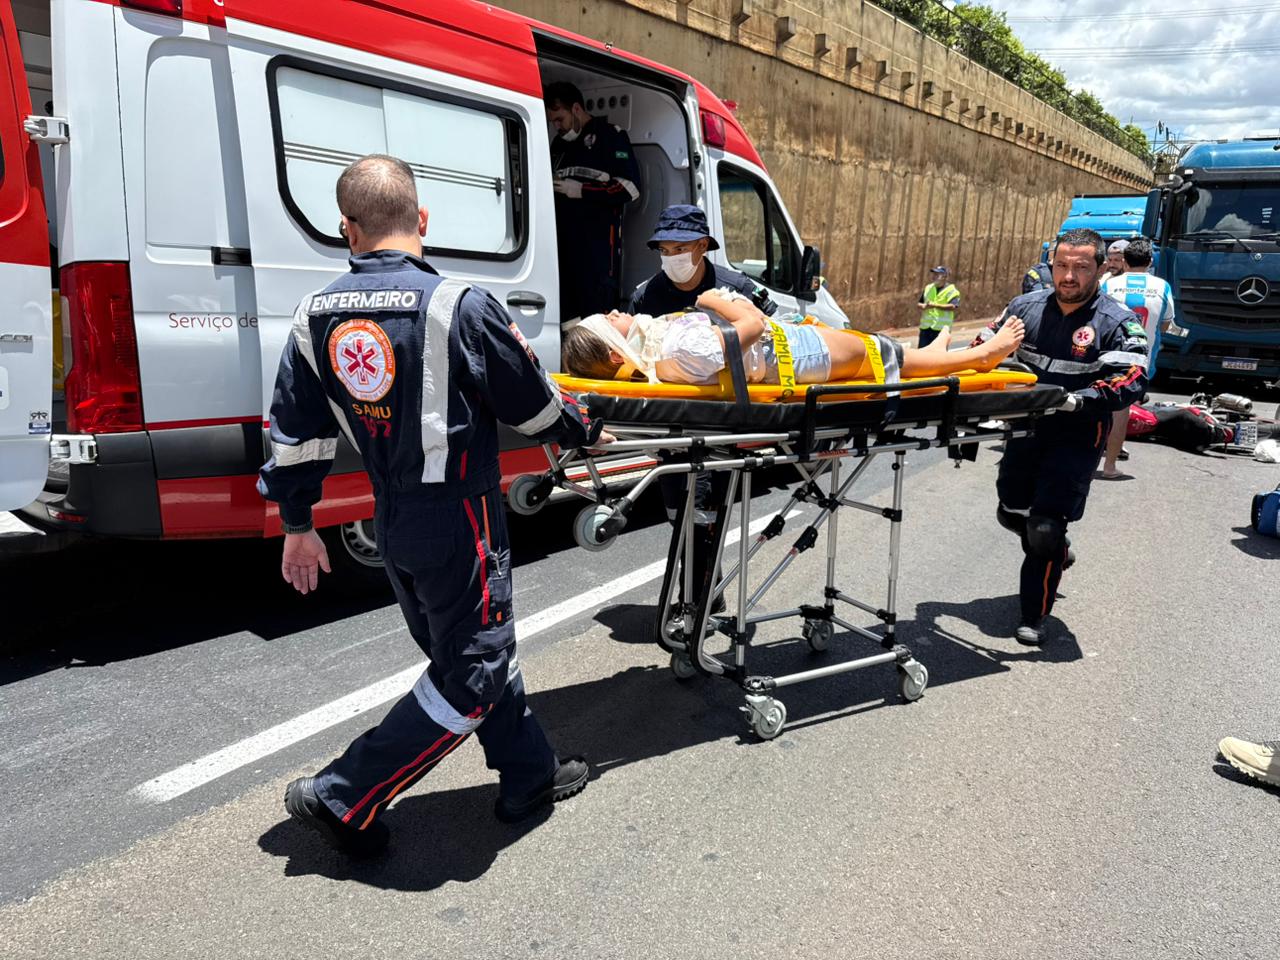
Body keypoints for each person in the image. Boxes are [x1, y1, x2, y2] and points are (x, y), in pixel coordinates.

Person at [257, 155, 605, 857]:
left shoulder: (313, 316)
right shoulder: (459, 305)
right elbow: (535, 407)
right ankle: (345, 794)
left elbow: (295, 436)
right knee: (473, 671)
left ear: (347, 229)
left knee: (469, 648)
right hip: (460, 519)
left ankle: (529, 773)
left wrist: (298, 524)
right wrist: (587, 427)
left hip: (391, 519)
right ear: (421, 219)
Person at [972, 228, 1147, 645]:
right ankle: (1055, 549)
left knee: (1045, 526)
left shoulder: (1117, 321)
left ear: (1100, 269)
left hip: (1079, 431)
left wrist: (1081, 399)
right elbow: (983, 349)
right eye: (1062, 266)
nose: (1069, 276)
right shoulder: (1023, 308)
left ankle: (1034, 614)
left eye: (1081, 267)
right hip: (1025, 426)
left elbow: (1133, 376)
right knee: (1010, 510)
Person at [562, 289, 1024, 385]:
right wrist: (716, 300)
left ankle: (943, 351)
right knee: (883, 357)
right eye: (608, 320)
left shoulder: (661, 348)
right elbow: (752, 326)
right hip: (791, 355)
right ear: (614, 351)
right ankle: (978, 357)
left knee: (880, 348)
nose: (616, 311)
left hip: (789, 350)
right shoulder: (678, 349)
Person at [545, 81, 642, 320]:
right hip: (561, 250)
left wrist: (582, 190)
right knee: (566, 322)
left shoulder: (610, 137)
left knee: (595, 323)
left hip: (597, 254)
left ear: (576, 109)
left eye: (560, 119)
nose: (557, 126)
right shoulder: (559, 144)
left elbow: (630, 188)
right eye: (553, 121)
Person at [1098, 238, 1176, 478]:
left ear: (1124, 261)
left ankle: (1088, 460)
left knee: (1098, 407)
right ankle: (1110, 466)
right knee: (1122, 410)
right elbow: (1165, 324)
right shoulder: (1162, 286)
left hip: (1108, 354)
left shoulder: (1110, 284)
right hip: (1141, 359)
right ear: (1150, 261)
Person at [629, 204, 777, 317]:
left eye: (680, 249)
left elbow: (777, 332)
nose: (671, 258)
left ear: (702, 245)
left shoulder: (738, 288)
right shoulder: (644, 297)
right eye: (664, 250)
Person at [917, 265, 960, 348]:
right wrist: (924, 306)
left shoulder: (951, 290)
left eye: (937, 274)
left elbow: (953, 306)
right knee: (922, 352)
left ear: (945, 277)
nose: (934, 276)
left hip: (941, 330)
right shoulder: (928, 288)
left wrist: (935, 305)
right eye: (933, 274)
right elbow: (919, 303)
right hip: (926, 328)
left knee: (938, 353)